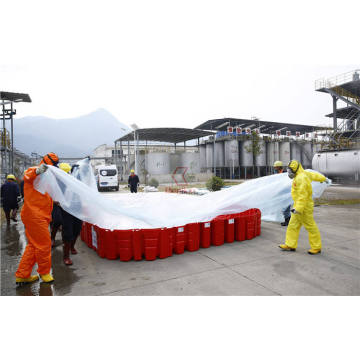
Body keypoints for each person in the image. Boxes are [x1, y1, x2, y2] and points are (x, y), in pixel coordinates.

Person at [15, 152, 59, 284]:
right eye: (54, 165)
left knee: (34, 246)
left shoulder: (46, 177)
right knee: (44, 244)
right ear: (48, 163)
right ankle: (44, 272)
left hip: (39, 216)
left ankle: (22, 274)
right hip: (35, 216)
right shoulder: (35, 171)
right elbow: (28, 175)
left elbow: (44, 196)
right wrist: (39, 171)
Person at [279, 159, 329, 255]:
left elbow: (303, 195)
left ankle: (316, 247)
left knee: (310, 227)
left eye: (290, 171)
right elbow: (314, 175)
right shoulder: (302, 174)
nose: (289, 173)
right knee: (293, 226)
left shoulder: (301, 178)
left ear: (295, 169)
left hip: (304, 207)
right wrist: (323, 178)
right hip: (298, 206)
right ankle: (290, 244)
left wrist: (298, 208)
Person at [57, 162, 83, 265]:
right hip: (66, 210)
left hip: (77, 208)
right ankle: (66, 256)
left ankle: (72, 246)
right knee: (67, 233)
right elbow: (54, 195)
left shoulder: (76, 180)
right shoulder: (58, 183)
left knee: (77, 229)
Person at [273, 161, 291, 226]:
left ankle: (287, 221)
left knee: (286, 207)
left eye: (276, 167)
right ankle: (288, 219)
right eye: (274, 167)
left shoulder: (285, 173)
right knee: (284, 207)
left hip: (286, 192)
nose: (275, 169)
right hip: (281, 192)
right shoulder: (276, 173)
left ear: (279, 167)